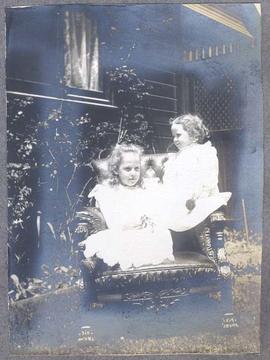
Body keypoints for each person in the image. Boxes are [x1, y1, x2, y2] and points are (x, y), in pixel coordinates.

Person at [81, 143, 174, 271]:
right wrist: (127, 225)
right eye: (127, 169)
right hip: (124, 232)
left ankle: (112, 260)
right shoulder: (110, 192)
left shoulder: (149, 188)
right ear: (116, 170)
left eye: (136, 168)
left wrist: (149, 220)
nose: (133, 173)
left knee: (160, 235)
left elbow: (159, 211)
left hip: (147, 233)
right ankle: (98, 260)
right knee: (108, 238)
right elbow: (113, 220)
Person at [158, 113, 231, 232]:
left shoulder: (203, 152)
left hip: (198, 195)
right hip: (179, 195)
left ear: (193, 135)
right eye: (173, 136)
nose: (175, 139)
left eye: (178, 135)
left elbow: (209, 178)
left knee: (188, 208)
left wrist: (197, 195)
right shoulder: (176, 157)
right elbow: (170, 179)